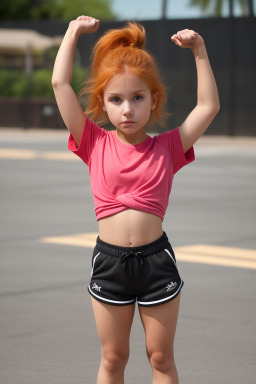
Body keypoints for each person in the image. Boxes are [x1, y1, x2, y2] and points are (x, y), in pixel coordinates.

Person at [52, 15, 219, 384]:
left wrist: (200, 51)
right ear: (104, 103)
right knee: (113, 358)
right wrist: (73, 32)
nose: (127, 108)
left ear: (153, 99)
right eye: (116, 99)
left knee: (160, 358)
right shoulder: (93, 142)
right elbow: (59, 82)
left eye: (137, 97)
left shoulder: (168, 146)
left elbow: (207, 108)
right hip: (109, 262)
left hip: (156, 261)